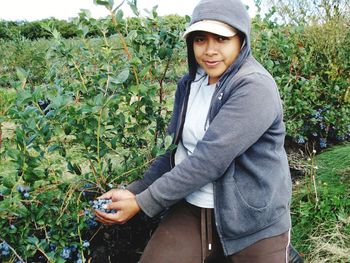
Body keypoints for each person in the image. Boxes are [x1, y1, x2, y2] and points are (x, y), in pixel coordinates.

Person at [95, 0, 296, 262]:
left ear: (241, 41)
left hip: (251, 220)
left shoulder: (254, 87)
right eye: (200, 39)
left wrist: (143, 202)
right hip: (192, 206)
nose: (210, 50)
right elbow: (173, 148)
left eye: (222, 39)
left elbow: (209, 160)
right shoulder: (190, 83)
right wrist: (138, 189)